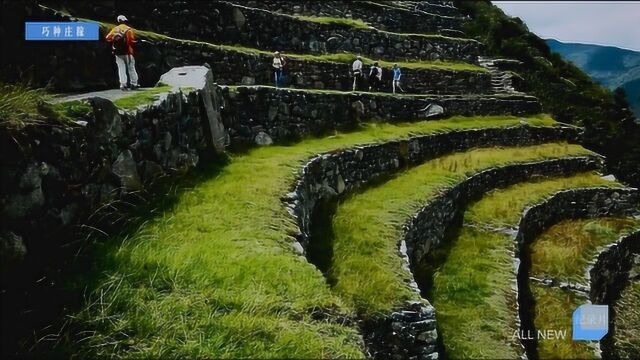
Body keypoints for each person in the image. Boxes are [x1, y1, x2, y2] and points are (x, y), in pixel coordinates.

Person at [105, 15, 139, 90]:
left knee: (121, 68)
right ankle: (134, 83)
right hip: (128, 52)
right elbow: (132, 41)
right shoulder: (129, 29)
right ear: (125, 21)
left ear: (118, 21)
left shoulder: (115, 29)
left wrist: (114, 40)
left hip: (118, 52)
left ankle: (123, 84)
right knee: (131, 68)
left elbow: (107, 38)